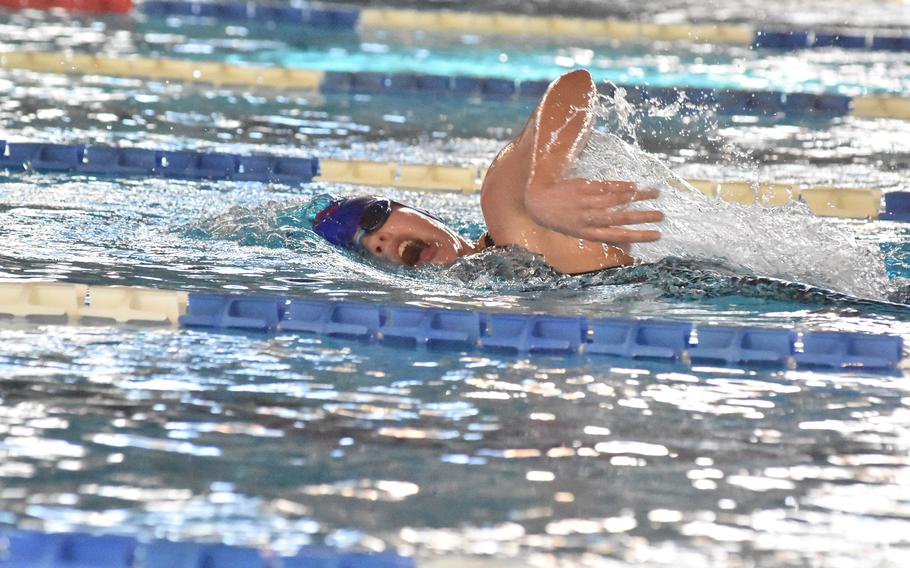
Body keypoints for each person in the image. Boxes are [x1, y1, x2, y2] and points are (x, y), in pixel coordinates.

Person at [311, 69, 664, 275]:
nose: (378, 241)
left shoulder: (507, 210)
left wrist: (543, 184)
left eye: (375, 218)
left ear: (417, 211)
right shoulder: (493, 280)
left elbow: (576, 87)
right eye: (364, 250)